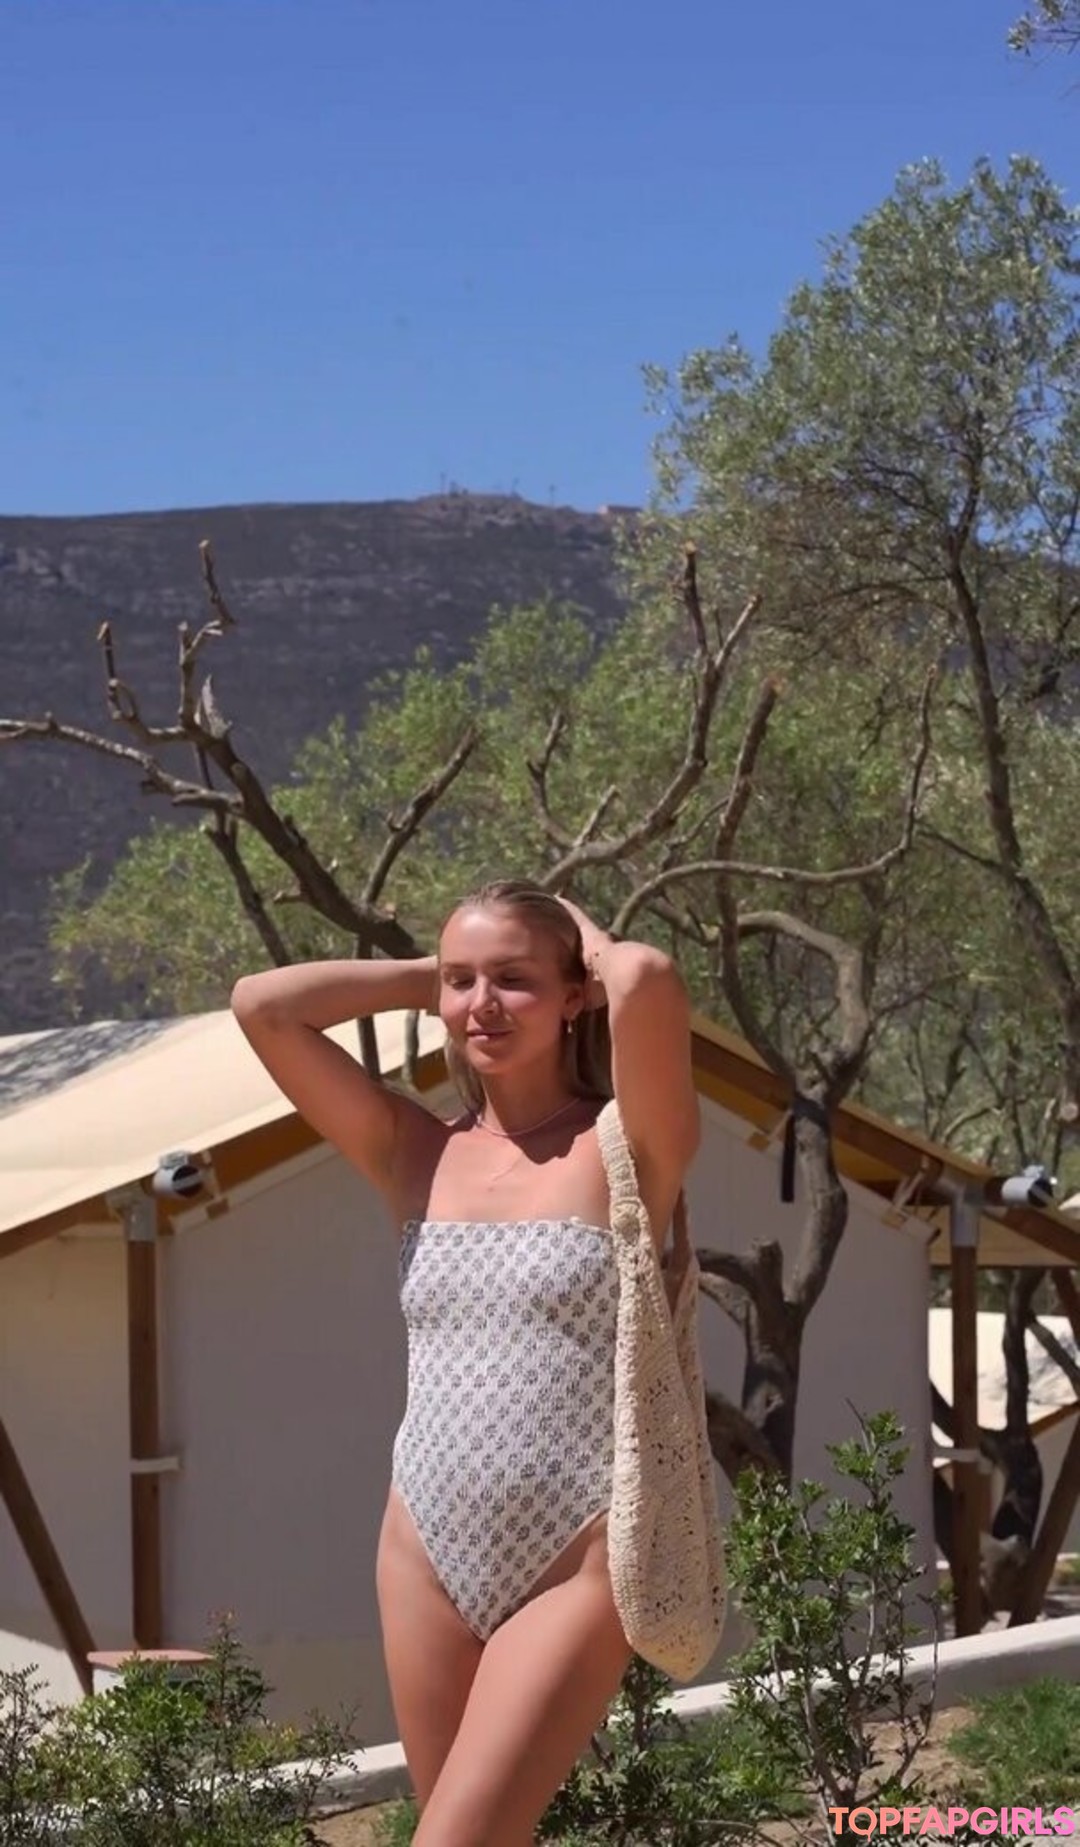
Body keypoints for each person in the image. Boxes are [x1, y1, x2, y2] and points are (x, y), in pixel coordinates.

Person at [231, 879, 700, 1847]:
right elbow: (261, 1005)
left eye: (514, 980)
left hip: (576, 1550)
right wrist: (429, 980)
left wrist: (588, 949)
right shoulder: (411, 1146)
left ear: (574, 994)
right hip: (424, 1545)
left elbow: (648, 975)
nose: (482, 1003)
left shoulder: (626, 1145)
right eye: (462, 981)